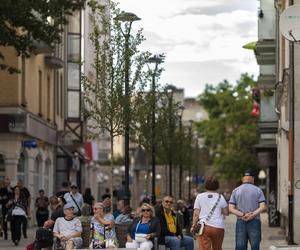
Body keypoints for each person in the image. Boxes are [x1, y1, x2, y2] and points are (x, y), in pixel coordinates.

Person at [229, 169, 267, 250]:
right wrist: (252, 215)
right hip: (255, 221)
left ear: (242, 179)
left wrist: (243, 214)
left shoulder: (236, 191)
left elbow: (231, 208)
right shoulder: (258, 190)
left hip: (240, 221)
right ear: (253, 178)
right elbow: (263, 206)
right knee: (255, 246)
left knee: (240, 247)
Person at [191, 176, 229, 250]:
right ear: (217, 186)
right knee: (217, 248)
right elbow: (226, 212)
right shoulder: (220, 197)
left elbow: (196, 213)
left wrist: (193, 225)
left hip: (204, 227)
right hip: (218, 227)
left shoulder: (200, 196)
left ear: (206, 185)